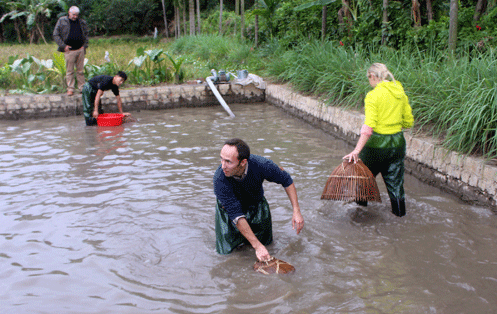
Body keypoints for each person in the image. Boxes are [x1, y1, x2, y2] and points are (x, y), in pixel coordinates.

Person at [213, 138, 304, 262]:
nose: (223, 166)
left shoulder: (262, 165)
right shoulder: (220, 178)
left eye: (228, 162)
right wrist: (257, 246)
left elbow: (287, 180)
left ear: (243, 162)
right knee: (227, 254)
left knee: (267, 245)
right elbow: (236, 216)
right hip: (229, 212)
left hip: (256, 204)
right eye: (221, 159)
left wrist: (296, 210)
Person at [343, 63, 414, 217]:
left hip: (376, 145)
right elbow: (408, 121)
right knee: (396, 185)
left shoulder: (373, 96)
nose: (370, 82)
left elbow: (368, 127)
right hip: (397, 143)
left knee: (363, 182)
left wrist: (356, 150)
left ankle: (360, 217)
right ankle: (400, 217)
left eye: (369, 79)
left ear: (373, 76)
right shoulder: (400, 92)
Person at [53, 6, 89, 96]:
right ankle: (70, 89)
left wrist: (84, 46)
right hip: (69, 50)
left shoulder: (82, 22)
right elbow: (55, 34)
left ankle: (82, 88)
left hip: (80, 49)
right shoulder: (62, 20)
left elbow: (86, 34)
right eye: (73, 15)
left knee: (80, 70)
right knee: (70, 71)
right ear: (69, 12)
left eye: (76, 15)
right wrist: (63, 46)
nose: (75, 17)